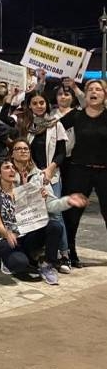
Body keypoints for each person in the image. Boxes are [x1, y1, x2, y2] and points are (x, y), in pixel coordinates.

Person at [0, 159, 86, 283]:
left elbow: (35, 213)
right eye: (7, 167)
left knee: (55, 226)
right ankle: (7, 259)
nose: (12, 170)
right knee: (19, 263)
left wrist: (43, 200)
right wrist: (7, 233)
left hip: (25, 235)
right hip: (5, 238)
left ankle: (47, 264)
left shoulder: (22, 188)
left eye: (12, 167)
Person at [58, 79, 107, 268]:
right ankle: (70, 252)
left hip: (104, 172)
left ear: (104, 95)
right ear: (85, 95)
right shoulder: (76, 116)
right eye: (90, 89)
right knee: (73, 214)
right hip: (79, 169)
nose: (94, 92)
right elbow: (54, 127)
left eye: (99, 89)